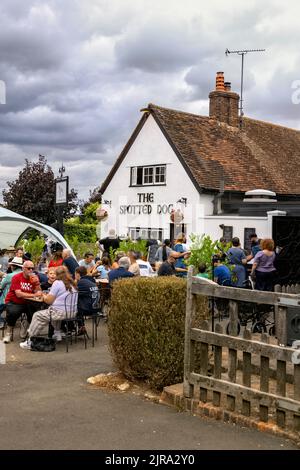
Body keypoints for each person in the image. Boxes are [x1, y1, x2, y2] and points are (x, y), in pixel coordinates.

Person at [20, 266, 77, 348]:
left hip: (60, 313)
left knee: (37, 315)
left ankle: (30, 340)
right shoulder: (72, 283)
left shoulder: (57, 283)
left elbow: (48, 301)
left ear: (57, 274)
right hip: (72, 312)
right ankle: (57, 334)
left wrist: (42, 294)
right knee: (52, 312)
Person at [3, 260, 43, 343]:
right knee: (13, 312)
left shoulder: (34, 278)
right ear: (23, 268)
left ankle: (26, 326)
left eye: (33, 268)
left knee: (35, 312)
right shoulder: (17, 277)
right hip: (14, 301)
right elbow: (18, 294)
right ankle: (9, 332)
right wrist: (34, 295)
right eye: (29, 268)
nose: (31, 270)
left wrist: (37, 283)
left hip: (28, 302)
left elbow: (39, 292)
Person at [0, 256, 23, 328]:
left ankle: (2, 322)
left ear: (13, 266)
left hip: (9, 299)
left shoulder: (9, 276)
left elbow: (1, 286)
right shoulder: (25, 275)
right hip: (22, 299)